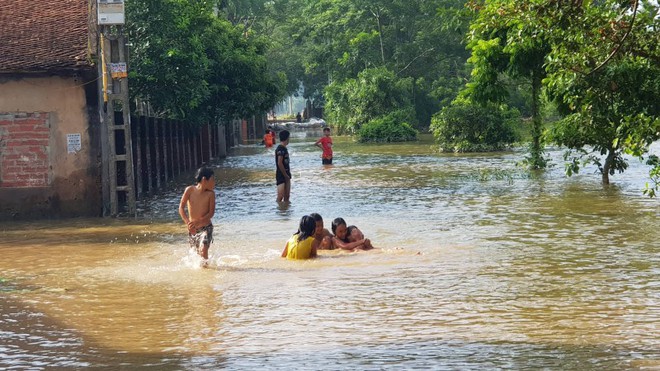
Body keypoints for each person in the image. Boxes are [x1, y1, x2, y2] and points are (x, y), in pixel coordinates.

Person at [178, 166, 216, 261]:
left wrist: (199, 221)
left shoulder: (211, 194)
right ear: (204, 180)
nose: (214, 183)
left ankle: (206, 272)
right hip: (193, 229)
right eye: (212, 180)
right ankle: (203, 272)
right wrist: (188, 223)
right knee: (196, 255)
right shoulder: (190, 190)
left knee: (203, 250)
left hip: (206, 228)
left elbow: (211, 213)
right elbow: (181, 208)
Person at [275, 130, 291, 202]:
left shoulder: (284, 148)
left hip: (287, 173)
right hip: (281, 175)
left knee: (287, 196)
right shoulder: (280, 149)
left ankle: (286, 210)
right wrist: (285, 175)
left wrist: (287, 175)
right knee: (280, 196)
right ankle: (278, 210)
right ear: (287, 138)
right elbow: (279, 163)